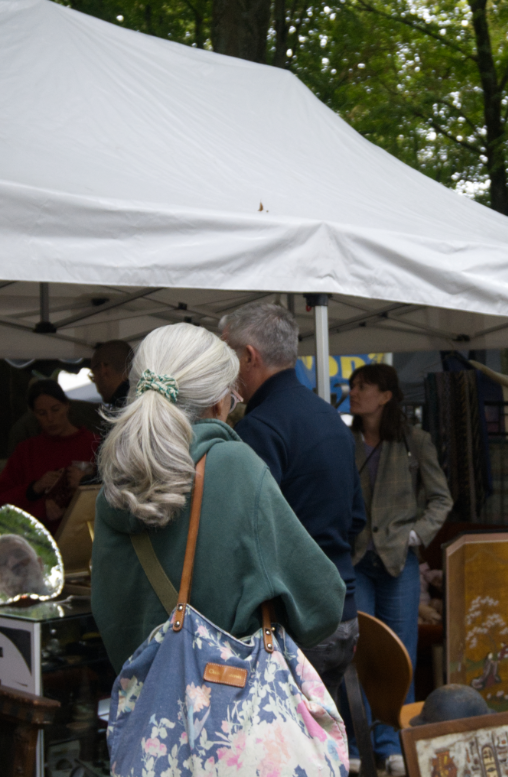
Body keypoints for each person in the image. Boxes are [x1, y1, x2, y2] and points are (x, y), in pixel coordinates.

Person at [91, 323, 344, 670]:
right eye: (232, 397)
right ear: (216, 401)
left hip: (143, 707)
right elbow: (322, 603)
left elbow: (109, 611)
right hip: (225, 708)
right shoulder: (233, 466)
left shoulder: (113, 484)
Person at [218, 307, 367, 726]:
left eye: (226, 353)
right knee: (318, 750)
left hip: (292, 620)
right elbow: (356, 518)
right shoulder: (330, 418)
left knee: (286, 753)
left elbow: (245, 534)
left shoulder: (260, 426)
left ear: (249, 356)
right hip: (341, 612)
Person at [348, 364, 452, 769]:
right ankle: (356, 745)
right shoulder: (344, 440)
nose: (354, 392)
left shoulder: (414, 441)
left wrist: (415, 535)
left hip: (399, 562)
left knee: (399, 653)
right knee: (355, 650)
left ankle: (391, 745)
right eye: (353, 385)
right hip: (356, 558)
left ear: (386, 395)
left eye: (363, 386)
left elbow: (441, 499)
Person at [0, 380, 100, 533]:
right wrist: (34, 489)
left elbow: (115, 495)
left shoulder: (94, 445)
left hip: (88, 538)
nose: (50, 418)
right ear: (34, 414)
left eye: (55, 410)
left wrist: (85, 483)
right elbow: (0, 498)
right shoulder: (26, 451)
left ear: (67, 406)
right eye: (42, 413)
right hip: (38, 542)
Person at [90, 340, 134, 409]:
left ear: (103, 369)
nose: (95, 382)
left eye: (93, 376)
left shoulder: (120, 407)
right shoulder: (148, 395)